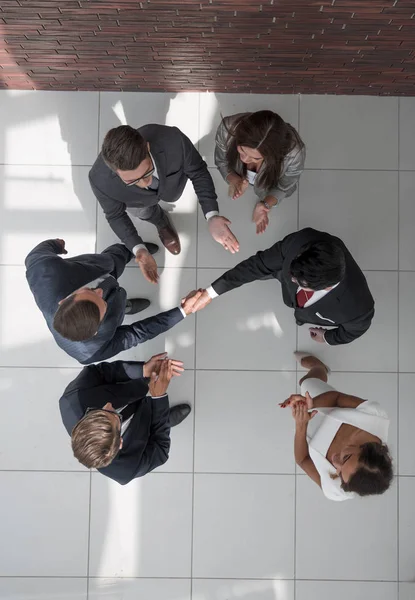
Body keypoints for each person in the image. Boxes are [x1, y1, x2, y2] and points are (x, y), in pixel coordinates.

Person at [89, 124, 239, 283]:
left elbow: (198, 172)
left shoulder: (172, 139)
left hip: (170, 189)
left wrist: (212, 215)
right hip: (136, 202)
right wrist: (139, 249)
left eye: (147, 171)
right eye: (132, 181)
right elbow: (115, 215)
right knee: (146, 213)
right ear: (114, 172)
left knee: (170, 195)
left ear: (147, 147)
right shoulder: (99, 180)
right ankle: (161, 222)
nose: (144, 183)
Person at [183, 227, 374, 346]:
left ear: (325, 287)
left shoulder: (358, 311)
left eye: (301, 283)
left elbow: (351, 333)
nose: (291, 279)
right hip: (292, 268)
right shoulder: (301, 241)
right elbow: (256, 266)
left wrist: (326, 337)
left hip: (317, 309)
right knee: (267, 271)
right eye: (292, 274)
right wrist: (209, 294)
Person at [25, 238, 202, 365]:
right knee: (117, 301)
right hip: (113, 311)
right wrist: (183, 311)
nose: (100, 289)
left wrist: (56, 245)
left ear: (64, 301)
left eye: (89, 291)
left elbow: (34, 255)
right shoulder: (90, 353)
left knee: (115, 257)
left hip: (94, 268)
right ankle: (124, 306)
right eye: (102, 303)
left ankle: (129, 251)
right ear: (96, 331)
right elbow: (136, 334)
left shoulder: (44, 272)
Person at [60, 353, 190, 485]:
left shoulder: (71, 400)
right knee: (159, 427)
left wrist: (142, 370)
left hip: (133, 390)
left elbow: (99, 372)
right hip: (146, 427)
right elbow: (160, 450)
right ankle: (163, 420)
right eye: (112, 413)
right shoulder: (126, 470)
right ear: (120, 442)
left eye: (97, 411)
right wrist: (159, 398)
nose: (108, 404)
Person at [280, 352, 393, 501]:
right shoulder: (374, 416)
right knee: (306, 382)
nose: (335, 462)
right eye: (345, 457)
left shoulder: (337, 490)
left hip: (306, 430)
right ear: (366, 448)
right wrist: (311, 404)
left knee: (305, 385)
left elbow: (303, 460)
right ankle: (320, 368)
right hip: (328, 406)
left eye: (339, 473)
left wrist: (301, 426)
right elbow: (338, 398)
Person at [214, 110, 305, 234]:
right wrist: (235, 180)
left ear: (273, 156)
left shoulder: (294, 154)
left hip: (270, 182)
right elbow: (222, 162)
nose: (244, 159)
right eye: (242, 150)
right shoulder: (228, 128)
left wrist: (266, 204)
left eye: (255, 158)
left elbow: (285, 186)